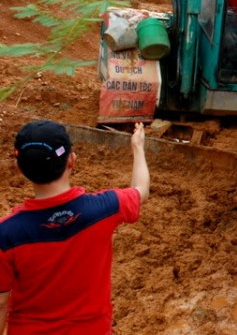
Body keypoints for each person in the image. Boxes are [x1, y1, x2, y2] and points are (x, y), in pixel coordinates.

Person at [0, 120, 149, 334]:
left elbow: (1, 303)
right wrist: (138, 147)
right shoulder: (104, 208)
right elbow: (141, 190)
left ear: (18, 168)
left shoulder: (6, 234)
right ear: (71, 160)